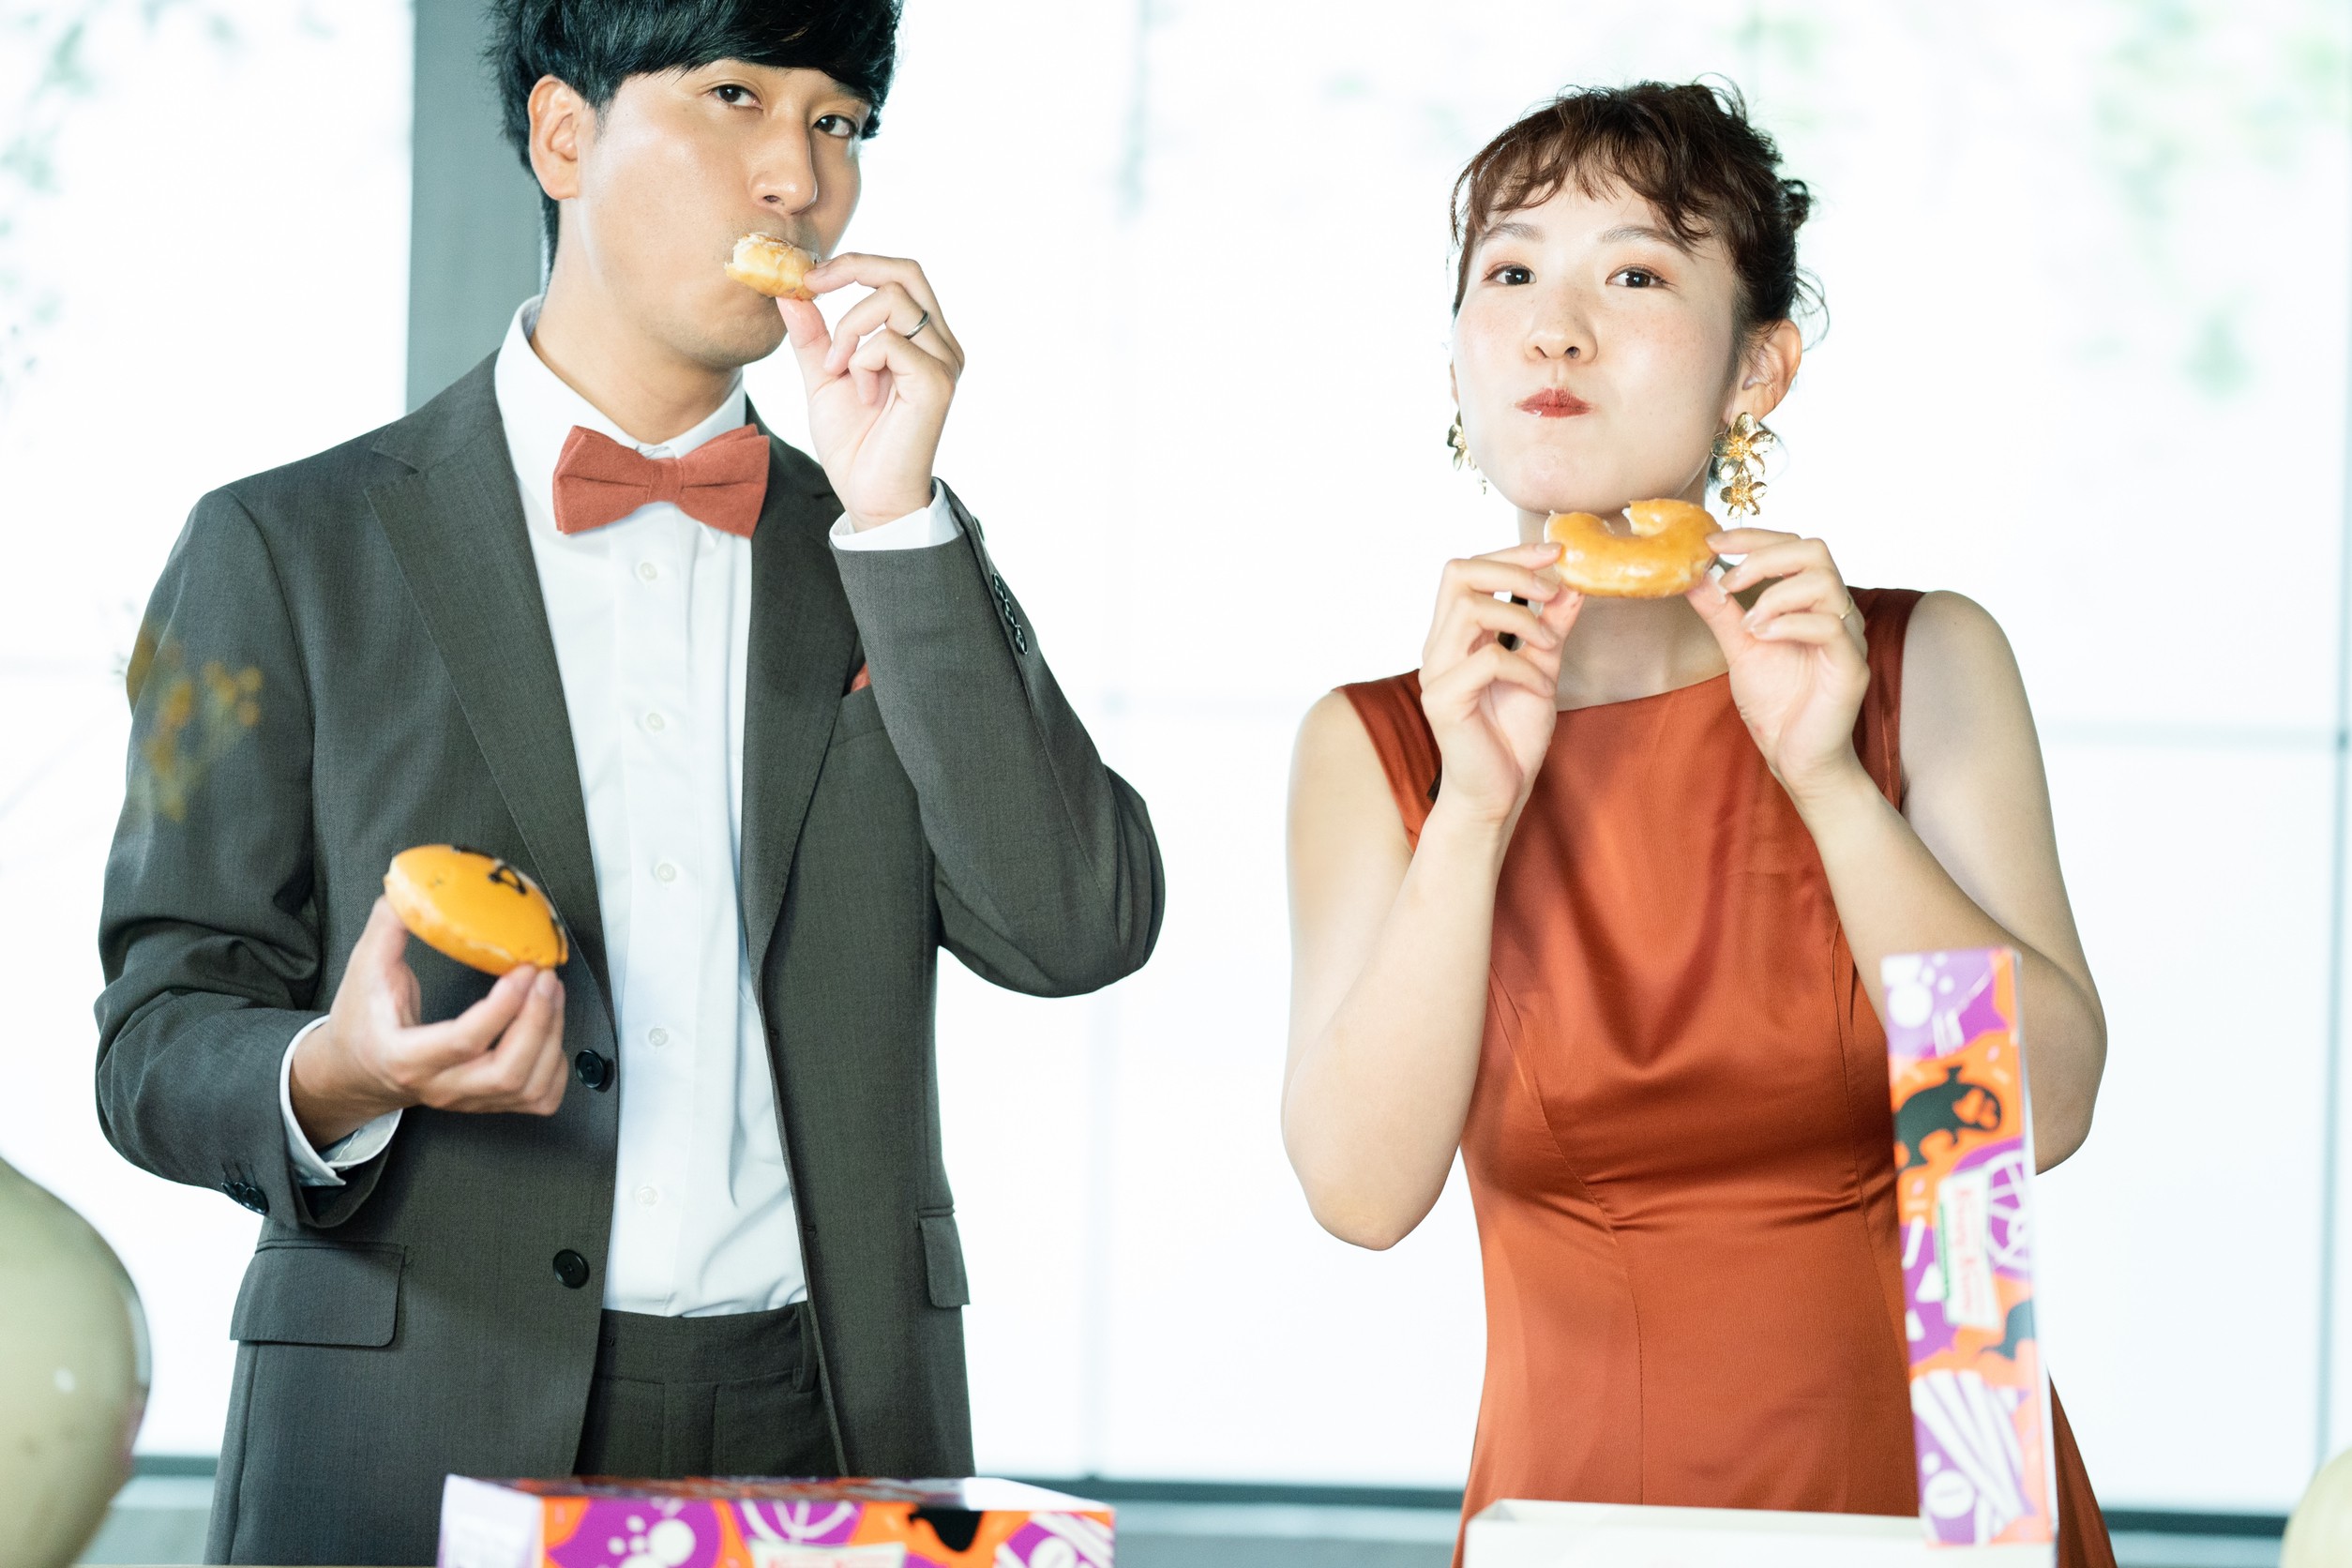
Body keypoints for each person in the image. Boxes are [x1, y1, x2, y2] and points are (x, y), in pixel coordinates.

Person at [94, 2, 1163, 1561]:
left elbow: (1076, 928)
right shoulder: (272, 548)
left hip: (833, 1423)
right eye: (732, 96)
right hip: (416, 1422)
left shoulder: (892, 545)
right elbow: (155, 1034)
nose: (797, 176)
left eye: (836, 120)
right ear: (563, 135)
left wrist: (898, 516)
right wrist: (342, 1072)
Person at [1282, 83, 2116, 1568]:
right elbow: (1359, 1194)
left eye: (1637, 276)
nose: (1555, 329)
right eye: (1511, 271)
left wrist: (1830, 784)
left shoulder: (1918, 663)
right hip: (1583, 1515)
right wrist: (1474, 811)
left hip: (1959, 1489)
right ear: (1461, 347)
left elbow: (2040, 1119)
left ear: (1758, 369)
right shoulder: (1379, 746)